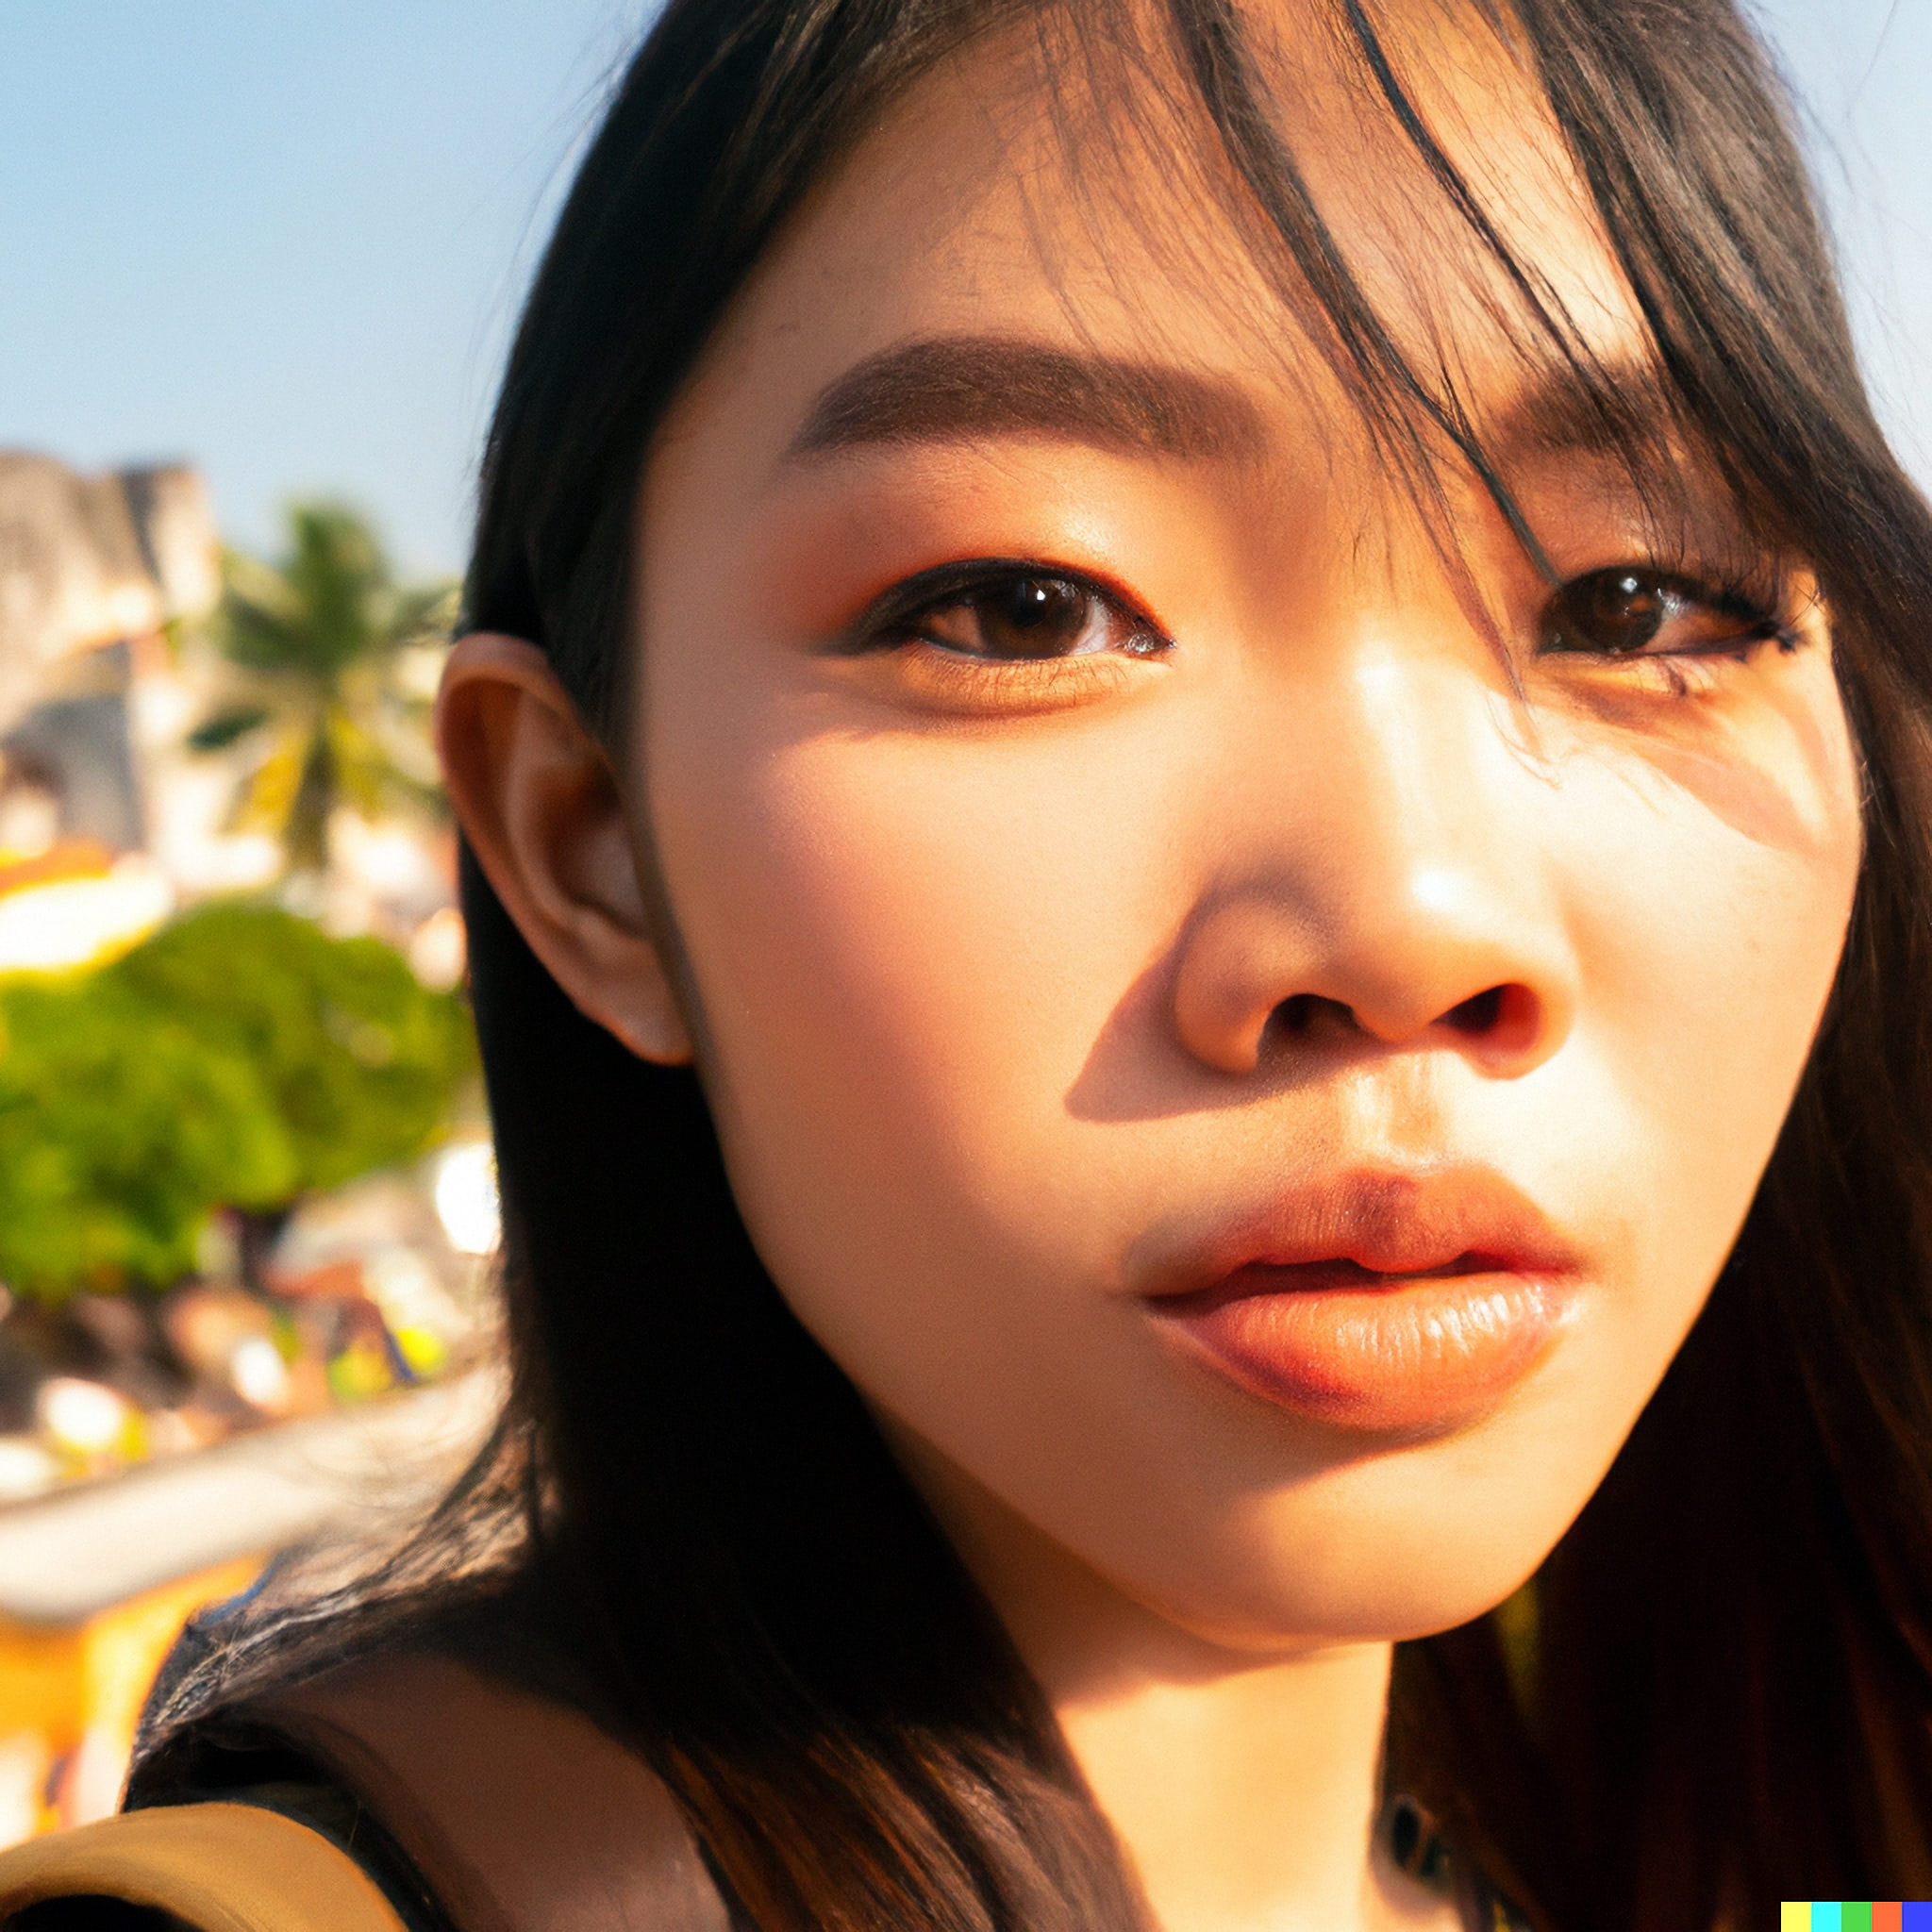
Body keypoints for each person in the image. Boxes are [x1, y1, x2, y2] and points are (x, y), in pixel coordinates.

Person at [6, 0, 1930, 1925]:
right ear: (590, 851)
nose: (1414, 923)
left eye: (1638, 600)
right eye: (1018, 609)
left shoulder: (1762, 1850)